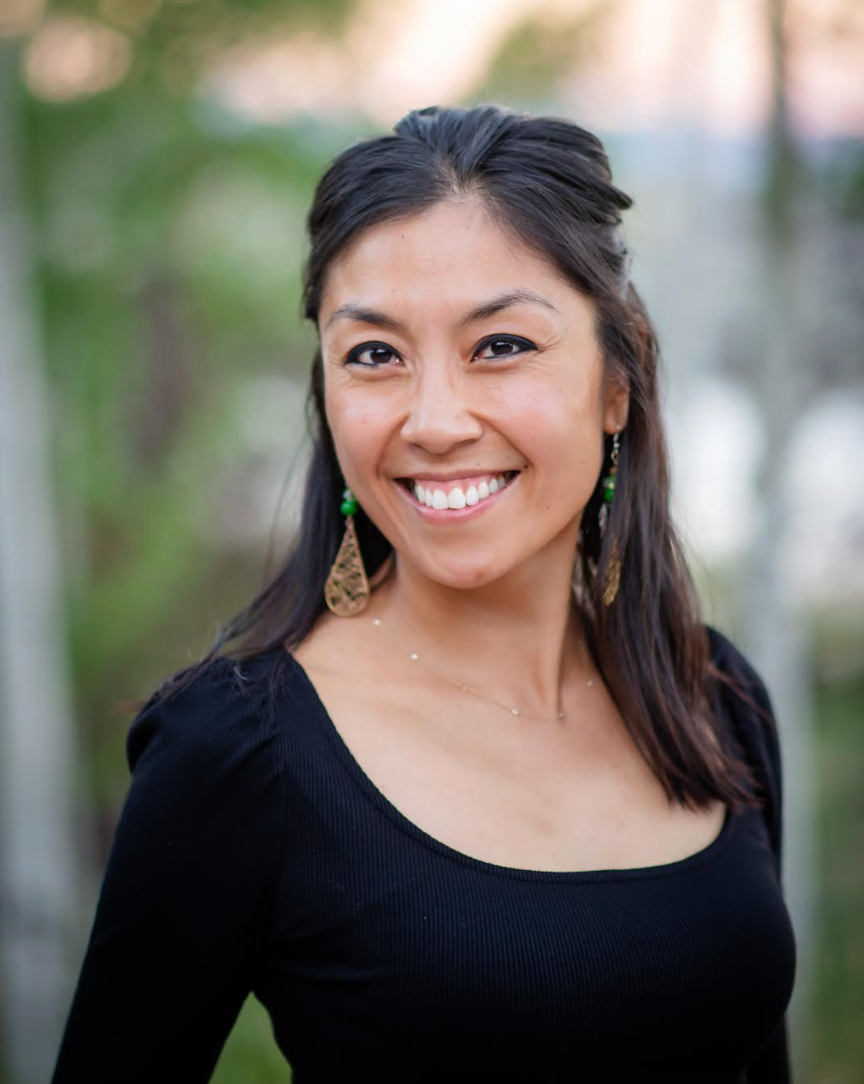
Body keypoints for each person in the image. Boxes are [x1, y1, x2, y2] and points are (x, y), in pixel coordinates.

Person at [50, 103, 797, 1083]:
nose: (435, 420)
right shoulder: (239, 751)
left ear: (617, 382)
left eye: (500, 345)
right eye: (374, 354)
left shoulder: (711, 697)